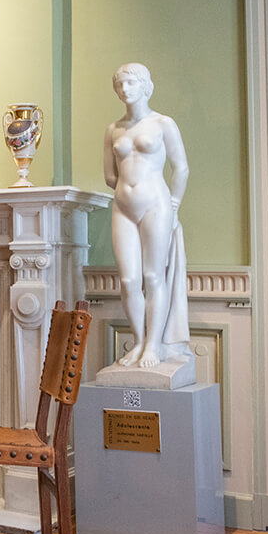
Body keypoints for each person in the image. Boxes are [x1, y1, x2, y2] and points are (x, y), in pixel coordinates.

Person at [102, 63, 192, 368]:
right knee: (128, 280)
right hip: (123, 208)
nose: (124, 90)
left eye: (130, 83)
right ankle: (138, 342)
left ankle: (154, 345)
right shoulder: (113, 129)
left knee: (154, 276)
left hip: (157, 204)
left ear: (145, 86)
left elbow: (181, 167)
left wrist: (175, 204)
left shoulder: (163, 123)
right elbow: (109, 177)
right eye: (119, 85)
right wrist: (129, 191)